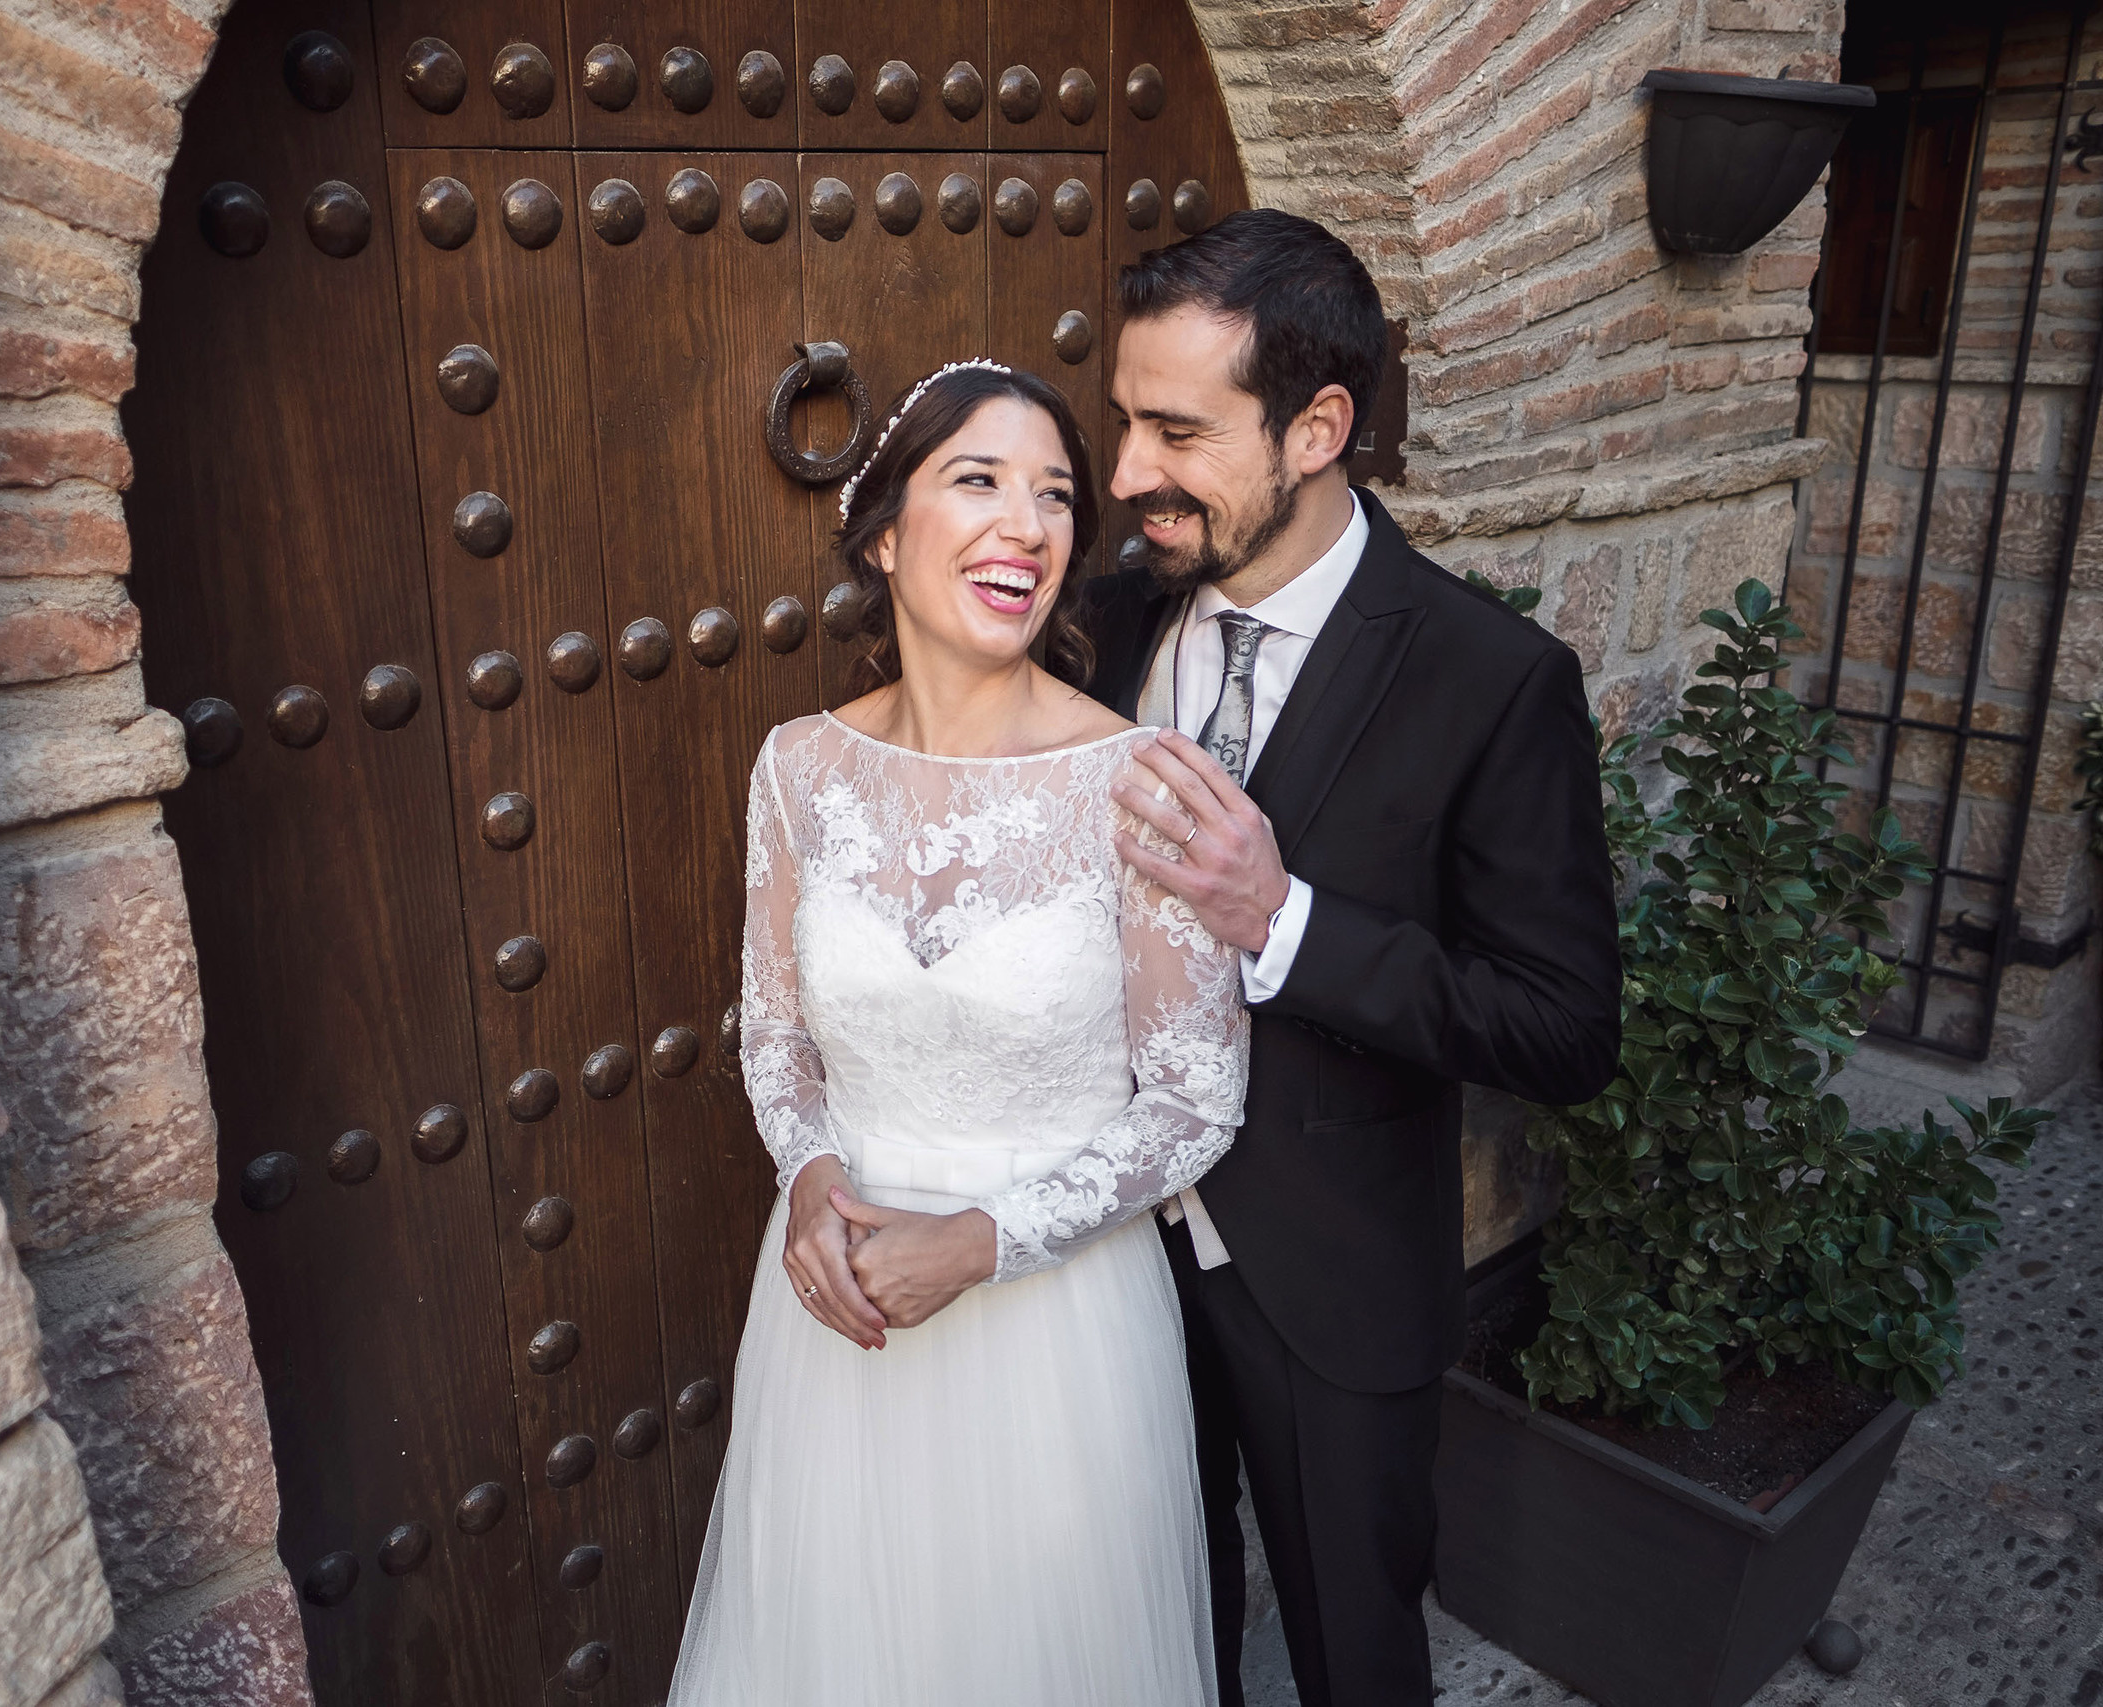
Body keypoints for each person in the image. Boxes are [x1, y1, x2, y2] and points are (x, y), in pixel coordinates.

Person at [1080, 210, 1623, 1705]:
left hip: (1327, 1282)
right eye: (1125, 418)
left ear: (1319, 426)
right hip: (1100, 1261)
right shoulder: (1110, 617)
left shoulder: (1493, 680)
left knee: (1354, 1654)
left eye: (1176, 431)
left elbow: (1566, 1028)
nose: (1125, 474)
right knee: (1152, 1624)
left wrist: (1285, 923)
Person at [667, 361, 1250, 1707]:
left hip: (1056, 1333)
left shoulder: (1141, 784)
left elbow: (1193, 1100)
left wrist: (980, 1244)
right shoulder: (799, 768)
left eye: (1054, 495)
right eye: (978, 480)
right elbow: (775, 1039)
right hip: (838, 1318)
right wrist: (810, 1179)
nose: (1031, 524)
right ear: (884, 534)